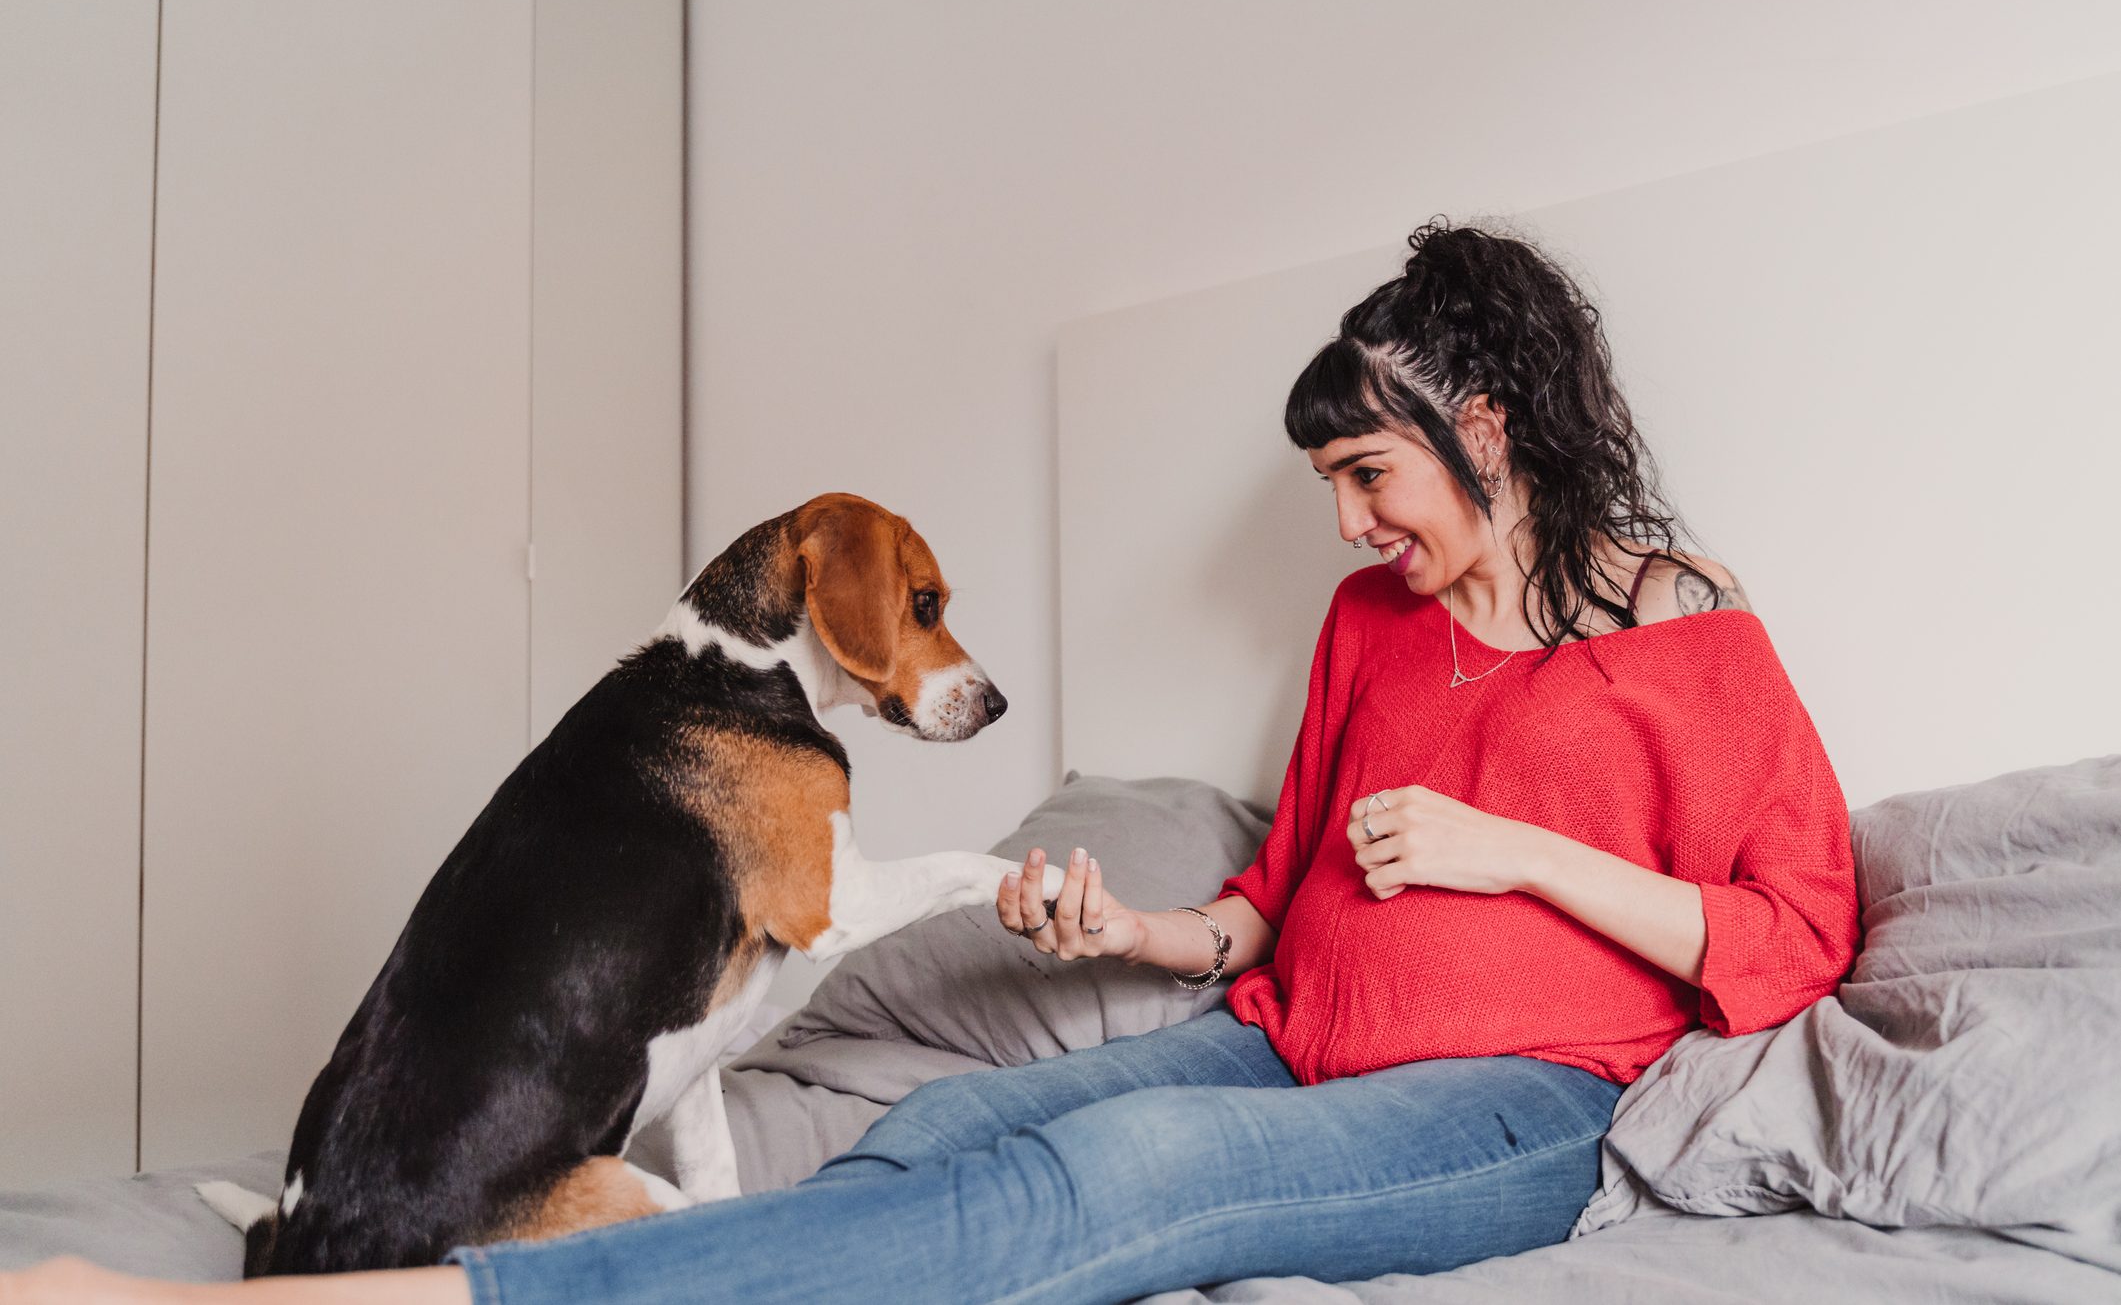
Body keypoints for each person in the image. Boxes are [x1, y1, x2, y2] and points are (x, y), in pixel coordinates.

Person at [0, 220, 1859, 1305]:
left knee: (1097, 1191)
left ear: (1485, 425)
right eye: (1330, 493)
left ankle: (403, 1299)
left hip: (1517, 1098)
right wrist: (1127, 923)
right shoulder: (1369, 631)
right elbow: (1275, 907)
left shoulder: (1682, 629)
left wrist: (1508, 853)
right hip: (1281, 1031)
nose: (1353, 525)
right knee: (945, 1129)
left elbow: (1796, 932)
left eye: (1369, 478)